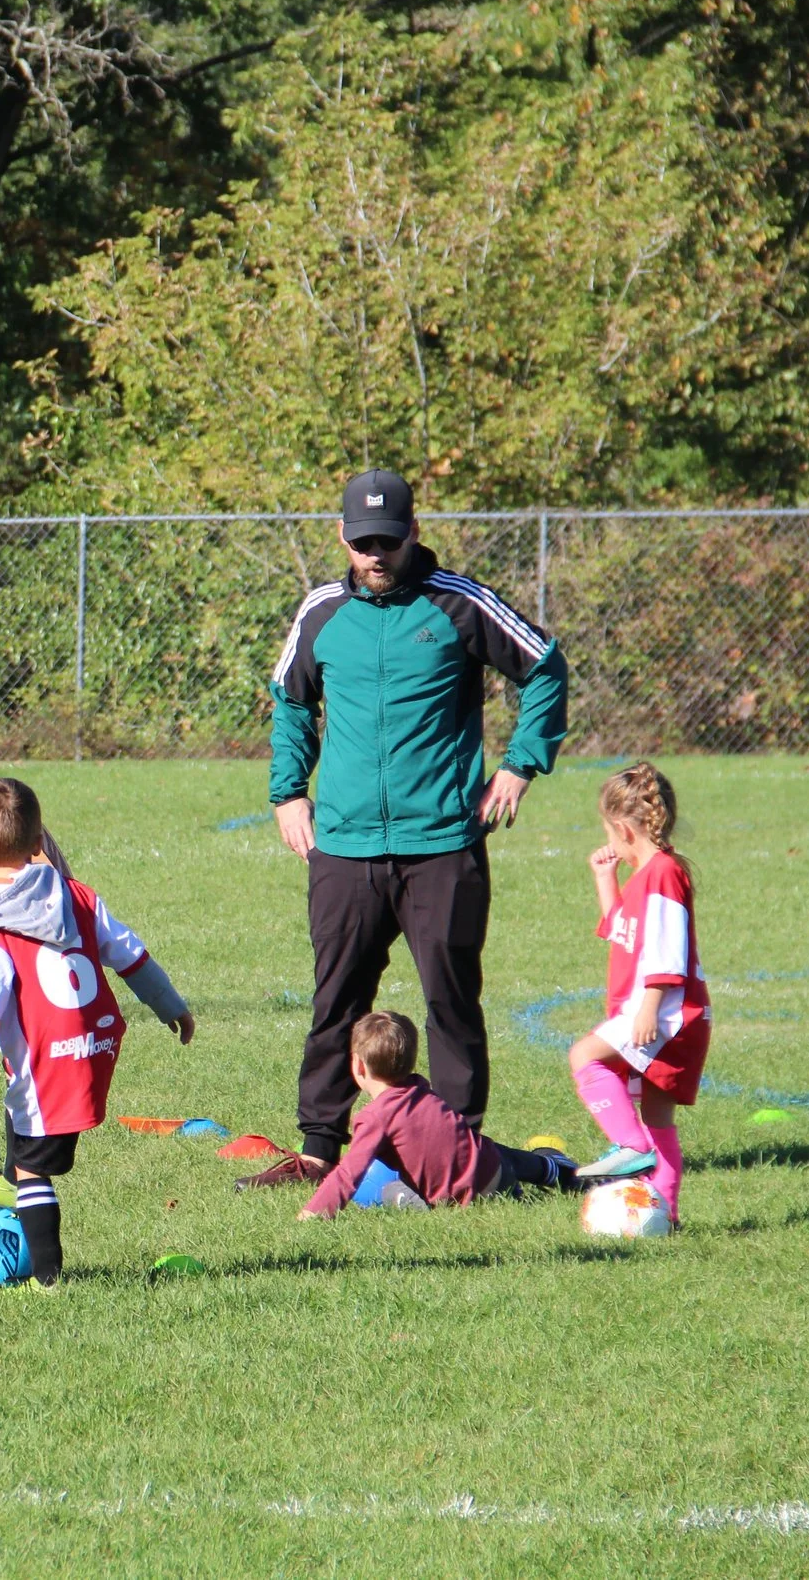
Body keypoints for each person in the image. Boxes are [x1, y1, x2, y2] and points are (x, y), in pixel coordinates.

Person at [244, 469, 570, 1194]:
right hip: (345, 847)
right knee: (336, 998)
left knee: (450, 997)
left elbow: (545, 666)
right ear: (342, 537)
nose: (375, 554)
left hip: (443, 842)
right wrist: (287, 793)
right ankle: (319, 1149)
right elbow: (290, 701)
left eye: (388, 539)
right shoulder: (322, 610)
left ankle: (455, 1151)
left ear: (414, 530)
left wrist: (521, 764)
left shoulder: (459, 602)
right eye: (362, 542)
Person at [0, 776, 196, 1286]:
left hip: (50, 1059)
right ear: (39, 843)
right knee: (20, 1101)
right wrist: (172, 1007)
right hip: (97, 1045)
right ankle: (9, 1179)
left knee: (39, 1167)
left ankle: (48, 1278)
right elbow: (131, 953)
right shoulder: (78, 895)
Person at [567, 762, 709, 1221]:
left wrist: (648, 1006)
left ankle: (629, 1146)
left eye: (609, 832)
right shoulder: (645, 873)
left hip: (664, 1013)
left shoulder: (663, 873)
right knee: (659, 1119)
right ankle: (664, 1211)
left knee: (583, 1057)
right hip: (667, 1013)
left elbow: (670, 946)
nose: (608, 842)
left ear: (626, 829)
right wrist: (605, 880)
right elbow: (622, 931)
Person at [299, 1011, 575, 1220]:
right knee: (495, 1151)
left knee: (388, 1190)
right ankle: (556, 1171)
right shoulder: (421, 1089)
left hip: (452, 1199)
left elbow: (349, 1174)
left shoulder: (374, 1117)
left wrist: (313, 1213)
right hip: (494, 1175)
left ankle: (410, 1202)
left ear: (358, 1065)